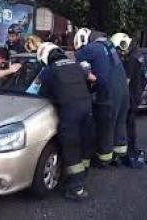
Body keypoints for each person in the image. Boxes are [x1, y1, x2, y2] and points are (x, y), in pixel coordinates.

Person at [36, 42, 96, 201]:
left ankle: (76, 189)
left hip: (71, 112)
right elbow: (91, 80)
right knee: (84, 145)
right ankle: (81, 178)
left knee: (72, 148)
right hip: (87, 109)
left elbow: (39, 91)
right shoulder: (76, 65)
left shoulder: (49, 70)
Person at [74, 28, 130, 168]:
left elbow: (77, 59)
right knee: (119, 122)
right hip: (123, 90)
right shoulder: (108, 46)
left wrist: (87, 74)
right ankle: (119, 154)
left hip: (109, 93)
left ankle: (104, 159)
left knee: (106, 125)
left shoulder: (91, 48)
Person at [111, 33, 147, 168]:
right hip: (135, 94)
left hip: (130, 96)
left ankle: (127, 151)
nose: (120, 53)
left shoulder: (132, 58)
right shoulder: (137, 54)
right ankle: (130, 149)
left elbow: (124, 81)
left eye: (120, 49)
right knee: (129, 123)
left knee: (126, 124)